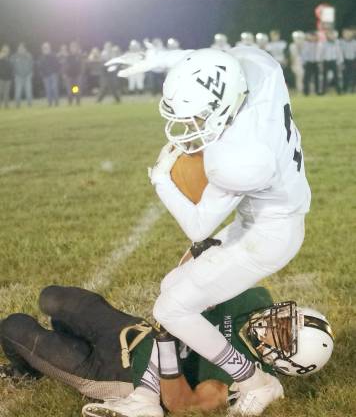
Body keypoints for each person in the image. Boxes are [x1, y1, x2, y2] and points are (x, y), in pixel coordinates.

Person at [107, 44, 312, 415]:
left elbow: (198, 224)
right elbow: (214, 59)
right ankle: (146, 397)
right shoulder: (258, 67)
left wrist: (161, 178)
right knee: (172, 287)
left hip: (268, 236)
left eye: (198, 117)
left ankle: (256, 382)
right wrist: (157, 59)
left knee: (171, 309)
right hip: (268, 215)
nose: (192, 126)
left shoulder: (240, 157)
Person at [0, 285, 333, 417]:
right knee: (53, 299)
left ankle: (25, 371)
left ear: (281, 362)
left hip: (117, 374)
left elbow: (178, 403)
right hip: (132, 330)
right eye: (289, 319)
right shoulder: (254, 300)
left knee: (14, 327)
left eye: (283, 336)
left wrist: (167, 348)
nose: (275, 324)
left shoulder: (240, 383)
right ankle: (59, 341)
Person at [318, 30, 343, 95]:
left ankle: (339, 91)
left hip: (334, 61)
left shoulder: (337, 43)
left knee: (336, 77)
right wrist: (320, 62)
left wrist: (340, 62)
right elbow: (321, 53)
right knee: (324, 77)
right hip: (326, 61)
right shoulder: (323, 43)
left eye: (332, 35)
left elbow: (339, 53)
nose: (331, 36)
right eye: (329, 34)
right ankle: (323, 91)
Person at [11, 43, 33, 108]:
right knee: (18, 91)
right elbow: (11, 66)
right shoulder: (14, 56)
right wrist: (14, 73)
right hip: (18, 76)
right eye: (20, 48)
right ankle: (17, 104)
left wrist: (31, 72)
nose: (21, 49)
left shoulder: (29, 55)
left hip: (27, 76)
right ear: (18, 49)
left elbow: (31, 64)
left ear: (25, 49)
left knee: (28, 90)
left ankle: (30, 104)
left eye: (22, 48)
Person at [37, 42, 60, 106]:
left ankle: (56, 102)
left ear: (49, 48)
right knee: (48, 90)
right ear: (42, 49)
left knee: (54, 88)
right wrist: (42, 74)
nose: (45, 49)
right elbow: (39, 67)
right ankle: (49, 103)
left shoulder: (53, 55)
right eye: (44, 48)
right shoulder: (41, 57)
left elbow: (57, 64)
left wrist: (56, 72)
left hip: (53, 75)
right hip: (45, 76)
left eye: (46, 47)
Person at [63, 41, 84, 105]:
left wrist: (81, 73)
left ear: (76, 48)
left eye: (74, 47)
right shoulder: (68, 56)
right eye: (72, 47)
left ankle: (77, 102)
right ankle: (70, 102)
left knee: (76, 90)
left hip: (76, 76)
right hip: (69, 76)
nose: (73, 48)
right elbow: (65, 65)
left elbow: (82, 65)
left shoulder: (79, 56)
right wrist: (64, 74)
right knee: (69, 91)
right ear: (70, 48)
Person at [339, 28, 356, 93]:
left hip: (353, 60)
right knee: (344, 75)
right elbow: (339, 52)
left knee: (353, 75)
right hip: (344, 60)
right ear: (343, 34)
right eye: (346, 34)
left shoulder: (354, 42)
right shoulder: (340, 42)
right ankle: (344, 89)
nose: (347, 35)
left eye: (349, 33)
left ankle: (352, 89)